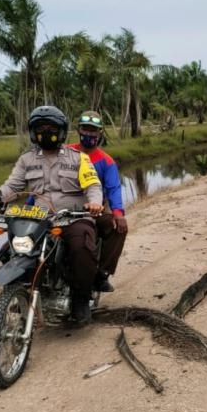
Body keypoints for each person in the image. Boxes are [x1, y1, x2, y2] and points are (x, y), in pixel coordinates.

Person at [0, 105, 103, 325]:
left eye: (51, 127)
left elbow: (93, 185)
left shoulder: (78, 158)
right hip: (38, 218)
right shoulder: (27, 159)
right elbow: (12, 186)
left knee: (82, 247)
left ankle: (80, 299)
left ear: (61, 130)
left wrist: (94, 203)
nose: (45, 132)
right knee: (9, 250)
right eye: (40, 127)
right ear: (33, 131)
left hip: (72, 216)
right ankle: (23, 292)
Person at [67, 110, 128, 293]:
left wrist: (118, 213)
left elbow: (114, 188)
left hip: (94, 209)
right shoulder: (66, 153)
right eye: (86, 129)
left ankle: (101, 274)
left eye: (93, 130)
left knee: (117, 228)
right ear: (78, 129)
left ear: (100, 132)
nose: (89, 134)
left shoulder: (106, 161)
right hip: (62, 207)